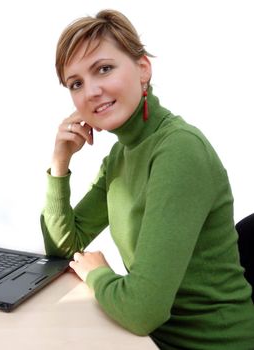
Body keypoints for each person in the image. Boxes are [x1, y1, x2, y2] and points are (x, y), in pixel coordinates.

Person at [40, 9, 254, 350]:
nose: (91, 91)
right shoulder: (121, 154)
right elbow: (64, 249)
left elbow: (142, 311)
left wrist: (98, 274)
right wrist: (59, 163)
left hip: (207, 344)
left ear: (143, 69)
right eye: (75, 83)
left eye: (104, 69)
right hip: (153, 338)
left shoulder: (179, 151)